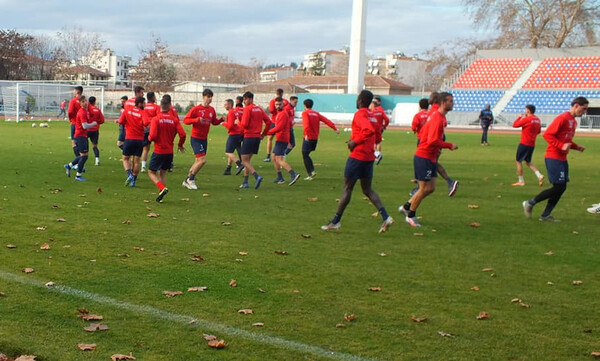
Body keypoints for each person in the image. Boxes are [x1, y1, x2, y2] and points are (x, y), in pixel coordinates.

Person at [321, 90, 394, 234]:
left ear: (360, 100)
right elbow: (377, 135)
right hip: (368, 157)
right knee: (367, 189)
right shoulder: (373, 115)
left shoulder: (360, 114)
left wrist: (355, 142)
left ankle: (336, 221)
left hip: (358, 156)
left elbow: (368, 131)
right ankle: (385, 217)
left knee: (347, 188)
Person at [522, 97, 588, 222]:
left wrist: (576, 147)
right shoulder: (562, 118)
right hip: (553, 156)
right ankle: (530, 203)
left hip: (562, 158)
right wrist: (560, 146)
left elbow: (566, 140)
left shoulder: (573, 122)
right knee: (559, 187)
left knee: (561, 187)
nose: (584, 111)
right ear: (575, 106)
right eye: (583, 108)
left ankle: (545, 215)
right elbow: (547, 134)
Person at [399, 92, 458, 227]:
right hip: (424, 156)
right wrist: (449, 145)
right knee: (423, 188)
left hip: (430, 157)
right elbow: (432, 141)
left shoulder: (439, 117)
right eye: (450, 101)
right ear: (443, 102)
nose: (452, 103)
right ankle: (411, 215)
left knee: (430, 188)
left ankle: (406, 206)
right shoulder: (437, 119)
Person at [409, 94, 459, 197]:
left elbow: (417, 127)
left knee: (429, 161)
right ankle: (447, 182)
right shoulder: (434, 112)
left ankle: (420, 189)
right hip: (432, 138)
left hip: (428, 140)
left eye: (431, 97)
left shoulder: (434, 112)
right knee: (432, 163)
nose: (429, 98)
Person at [181, 89, 224, 190]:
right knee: (202, 160)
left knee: (197, 161)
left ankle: (186, 180)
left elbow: (214, 122)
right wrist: (196, 120)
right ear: (203, 97)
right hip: (196, 138)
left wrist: (221, 120)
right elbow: (186, 120)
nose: (210, 99)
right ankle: (191, 180)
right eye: (208, 97)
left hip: (204, 139)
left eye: (211, 97)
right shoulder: (196, 109)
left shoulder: (211, 110)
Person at [147, 96, 186, 203]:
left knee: (151, 172)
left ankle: (161, 188)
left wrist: (149, 138)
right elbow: (182, 134)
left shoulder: (156, 119)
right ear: (169, 107)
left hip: (159, 150)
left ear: (160, 107)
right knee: (163, 173)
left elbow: (153, 135)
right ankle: (161, 194)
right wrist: (180, 145)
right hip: (169, 152)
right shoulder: (174, 120)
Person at [301, 98, 339, 180]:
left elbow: (306, 124)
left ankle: (310, 173)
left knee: (305, 154)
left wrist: (306, 134)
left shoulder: (305, 113)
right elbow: (326, 120)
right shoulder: (316, 113)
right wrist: (334, 128)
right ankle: (312, 171)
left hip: (308, 137)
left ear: (304, 105)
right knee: (306, 154)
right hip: (315, 138)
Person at [239, 91, 271, 189]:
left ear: (250, 99)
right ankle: (245, 182)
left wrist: (238, 123)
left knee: (244, 161)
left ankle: (257, 176)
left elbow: (244, 125)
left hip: (249, 137)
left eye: (245, 99)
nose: (244, 101)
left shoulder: (248, 109)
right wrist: (263, 134)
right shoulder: (259, 109)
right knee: (248, 161)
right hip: (257, 137)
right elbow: (269, 122)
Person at [266, 97, 301, 185]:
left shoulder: (282, 114)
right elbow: (289, 125)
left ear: (283, 104)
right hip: (281, 138)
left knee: (279, 159)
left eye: (279, 104)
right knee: (274, 157)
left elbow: (279, 127)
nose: (278, 106)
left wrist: (268, 132)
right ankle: (280, 177)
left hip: (282, 139)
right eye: (276, 105)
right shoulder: (280, 113)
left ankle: (293, 174)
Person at [64, 96, 97, 182]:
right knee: (84, 156)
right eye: (83, 101)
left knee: (83, 156)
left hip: (83, 136)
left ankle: (69, 166)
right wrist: (94, 124)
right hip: (80, 136)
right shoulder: (82, 112)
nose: (85, 103)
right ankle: (78, 176)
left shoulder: (85, 111)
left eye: (86, 101)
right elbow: (84, 125)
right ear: (80, 103)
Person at [118, 96, 148, 187]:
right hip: (139, 139)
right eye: (144, 103)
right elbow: (146, 123)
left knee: (125, 158)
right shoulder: (143, 112)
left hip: (129, 138)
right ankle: (133, 181)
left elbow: (121, 121)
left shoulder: (127, 110)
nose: (145, 105)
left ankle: (129, 175)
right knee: (136, 160)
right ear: (139, 103)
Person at [511, 105, 545, 186]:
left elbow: (515, 125)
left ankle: (521, 181)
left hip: (524, 143)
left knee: (518, 161)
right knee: (528, 161)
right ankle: (539, 175)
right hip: (532, 144)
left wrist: (519, 117)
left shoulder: (527, 119)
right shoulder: (537, 119)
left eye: (526, 110)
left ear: (528, 111)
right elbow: (538, 131)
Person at [264, 88, 288, 162]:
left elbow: (271, 110)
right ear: (282, 93)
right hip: (283, 121)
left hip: (275, 121)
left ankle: (269, 155)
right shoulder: (286, 102)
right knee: (282, 138)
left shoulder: (273, 101)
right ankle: (281, 154)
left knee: (270, 138)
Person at [222, 98, 244, 176]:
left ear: (230, 104)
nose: (224, 106)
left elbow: (230, 126)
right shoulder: (234, 111)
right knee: (232, 151)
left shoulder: (231, 112)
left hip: (233, 134)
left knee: (228, 152)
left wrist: (224, 123)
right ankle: (228, 169)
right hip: (238, 133)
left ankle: (240, 164)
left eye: (225, 104)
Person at [141, 92, 160, 172]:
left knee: (145, 148)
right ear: (153, 97)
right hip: (153, 129)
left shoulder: (144, 107)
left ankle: (143, 166)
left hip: (145, 128)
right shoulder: (156, 107)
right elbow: (159, 118)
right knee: (158, 147)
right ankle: (158, 165)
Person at [86, 96, 105, 166]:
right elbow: (102, 120)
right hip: (95, 130)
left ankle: (82, 159)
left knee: (84, 145)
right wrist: (97, 123)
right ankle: (97, 160)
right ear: (95, 101)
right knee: (94, 146)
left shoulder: (86, 110)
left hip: (87, 130)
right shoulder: (98, 110)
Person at [371, 95, 389, 164]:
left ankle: (377, 155)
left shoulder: (372, 112)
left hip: (373, 129)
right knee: (378, 142)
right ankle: (378, 154)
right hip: (380, 129)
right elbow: (387, 119)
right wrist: (384, 126)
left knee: (373, 142)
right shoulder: (381, 111)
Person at [68, 86, 84, 156]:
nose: (73, 93)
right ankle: (82, 158)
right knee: (81, 141)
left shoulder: (73, 101)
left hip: (75, 123)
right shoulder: (84, 101)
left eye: (74, 91)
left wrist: (70, 119)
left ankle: (78, 160)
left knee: (74, 142)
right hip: (83, 124)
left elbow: (70, 112)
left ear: (77, 92)